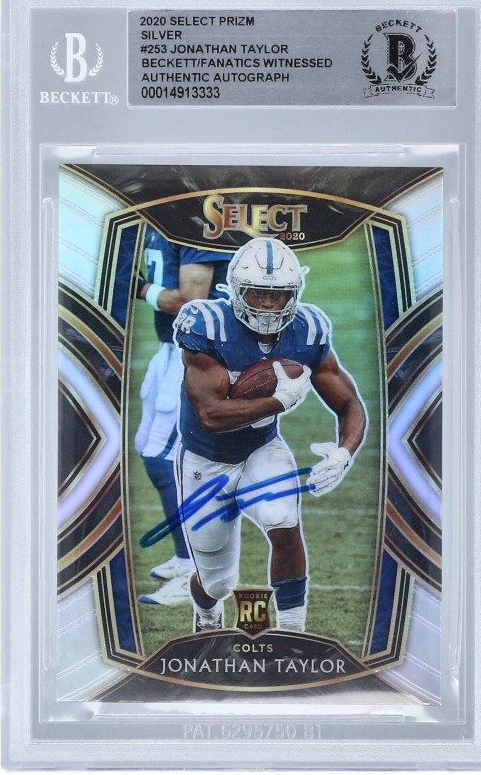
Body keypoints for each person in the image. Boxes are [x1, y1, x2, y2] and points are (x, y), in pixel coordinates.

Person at [172, 237, 367, 632]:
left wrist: (343, 453)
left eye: (277, 296)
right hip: (205, 459)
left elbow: (349, 403)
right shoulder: (207, 325)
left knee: (284, 521)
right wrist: (277, 402)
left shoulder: (307, 329)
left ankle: (293, 631)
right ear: (236, 290)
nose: (266, 305)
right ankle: (207, 615)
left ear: (293, 294)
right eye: (257, 293)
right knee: (216, 582)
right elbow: (209, 415)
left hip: (260, 449)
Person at [133, 228, 231, 606]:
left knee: (165, 459)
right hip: (171, 350)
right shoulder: (159, 218)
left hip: (198, 355)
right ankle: (184, 556)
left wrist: (140, 289)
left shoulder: (194, 219)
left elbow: (192, 300)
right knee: (151, 450)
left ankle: (196, 570)